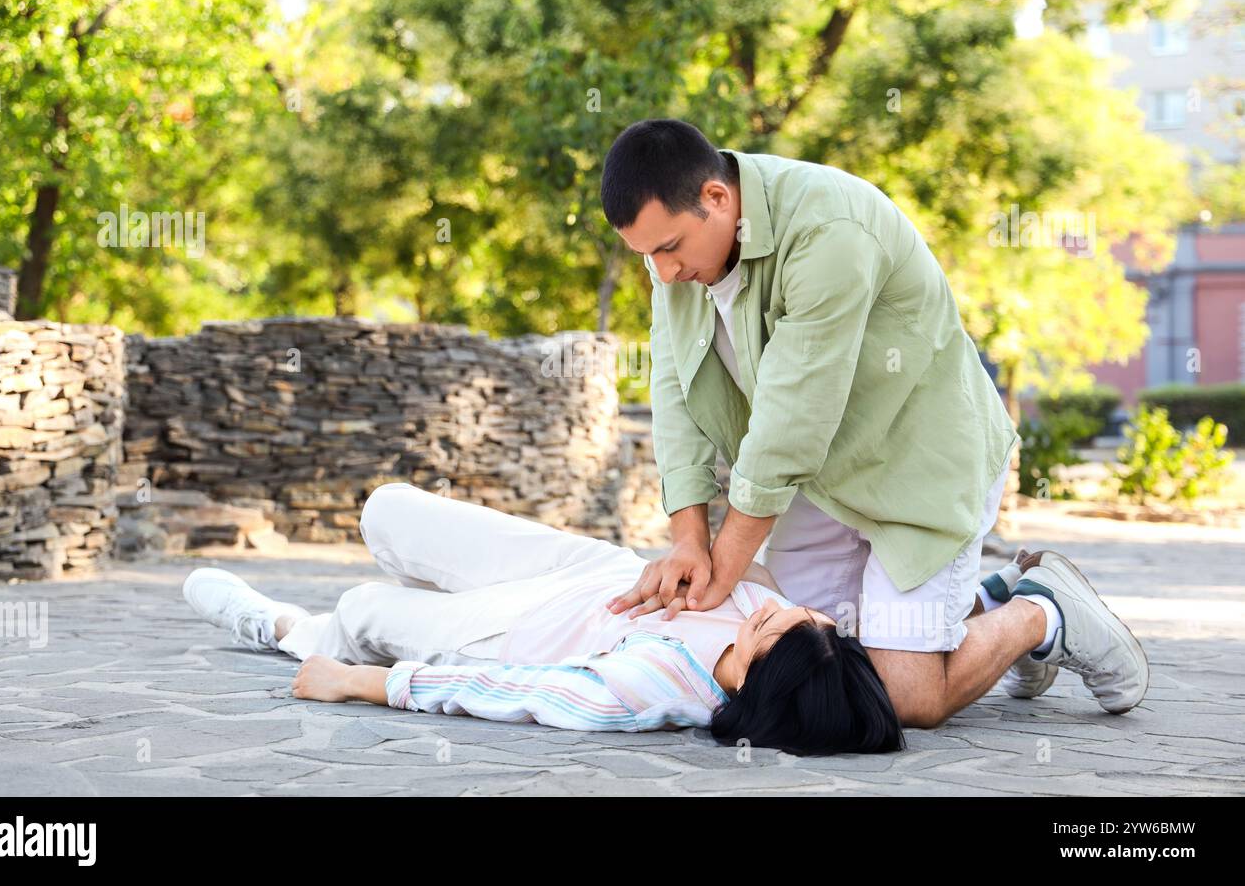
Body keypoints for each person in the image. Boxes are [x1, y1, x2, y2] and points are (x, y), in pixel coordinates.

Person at [597, 118, 1149, 723]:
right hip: (822, 484)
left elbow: (790, 421)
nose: (665, 271)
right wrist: (687, 540)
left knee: (901, 698)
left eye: (670, 248)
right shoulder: (672, 258)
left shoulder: (828, 228)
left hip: (918, 469)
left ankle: (1042, 611)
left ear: (717, 199)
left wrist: (716, 571)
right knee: (812, 665)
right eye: (648, 255)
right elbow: (675, 387)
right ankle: (986, 598)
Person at [183, 483, 1141, 757]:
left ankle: (269, 624)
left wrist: (364, 684)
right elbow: (851, 639)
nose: (788, 612)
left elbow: (513, 695)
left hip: (503, 632)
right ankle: (1028, 613)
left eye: (774, 628)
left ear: (755, 675)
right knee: (385, 510)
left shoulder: (651, 691)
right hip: (586, 572)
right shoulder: (792, 639)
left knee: (355, 613)